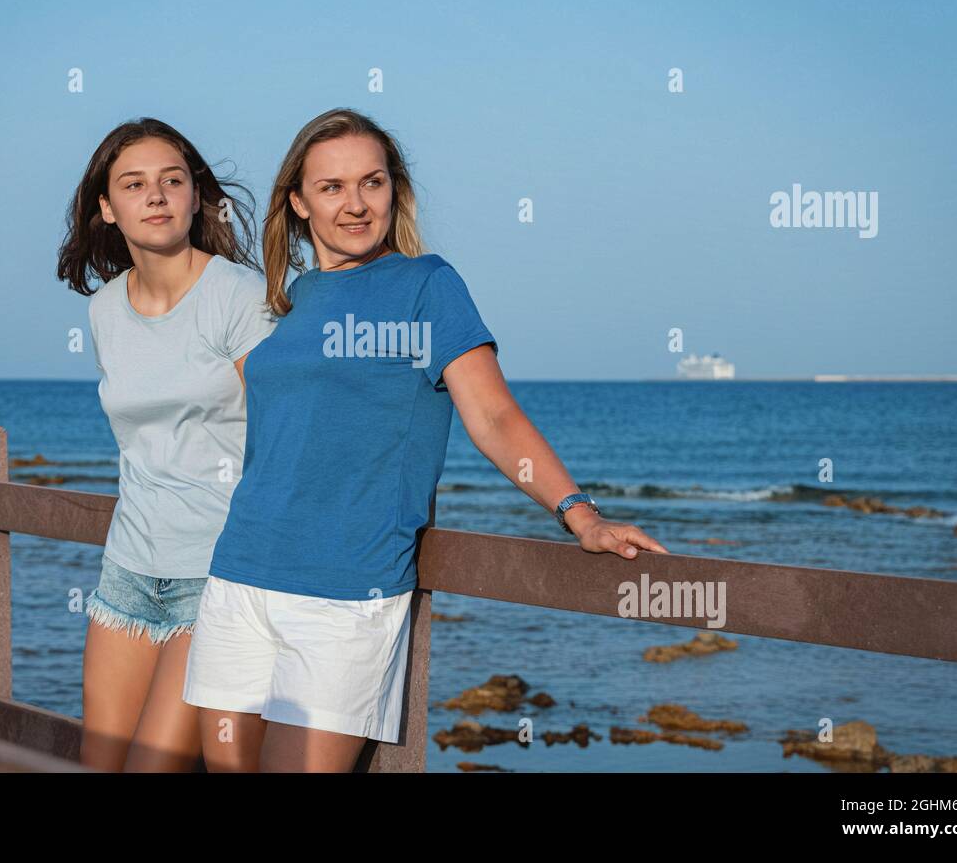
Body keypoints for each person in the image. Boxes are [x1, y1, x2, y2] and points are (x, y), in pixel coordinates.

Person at [181, 107, 669, 772]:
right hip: (241, 573)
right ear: (297, 202)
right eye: (332, 187)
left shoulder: (427, 286)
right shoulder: (294, 297)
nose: (355, 204)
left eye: (371, 183)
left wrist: (580, 514)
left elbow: (493, 416)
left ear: (394, 190)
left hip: (346, 590)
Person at [56, 118, 276, 771]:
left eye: (171, 180)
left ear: (196, 195)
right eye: (134, 183)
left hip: (216, 576)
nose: (155, 196)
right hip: (126, 572)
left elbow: (280, 438)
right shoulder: (103, 311)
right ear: (106, 206)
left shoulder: (239, 297)